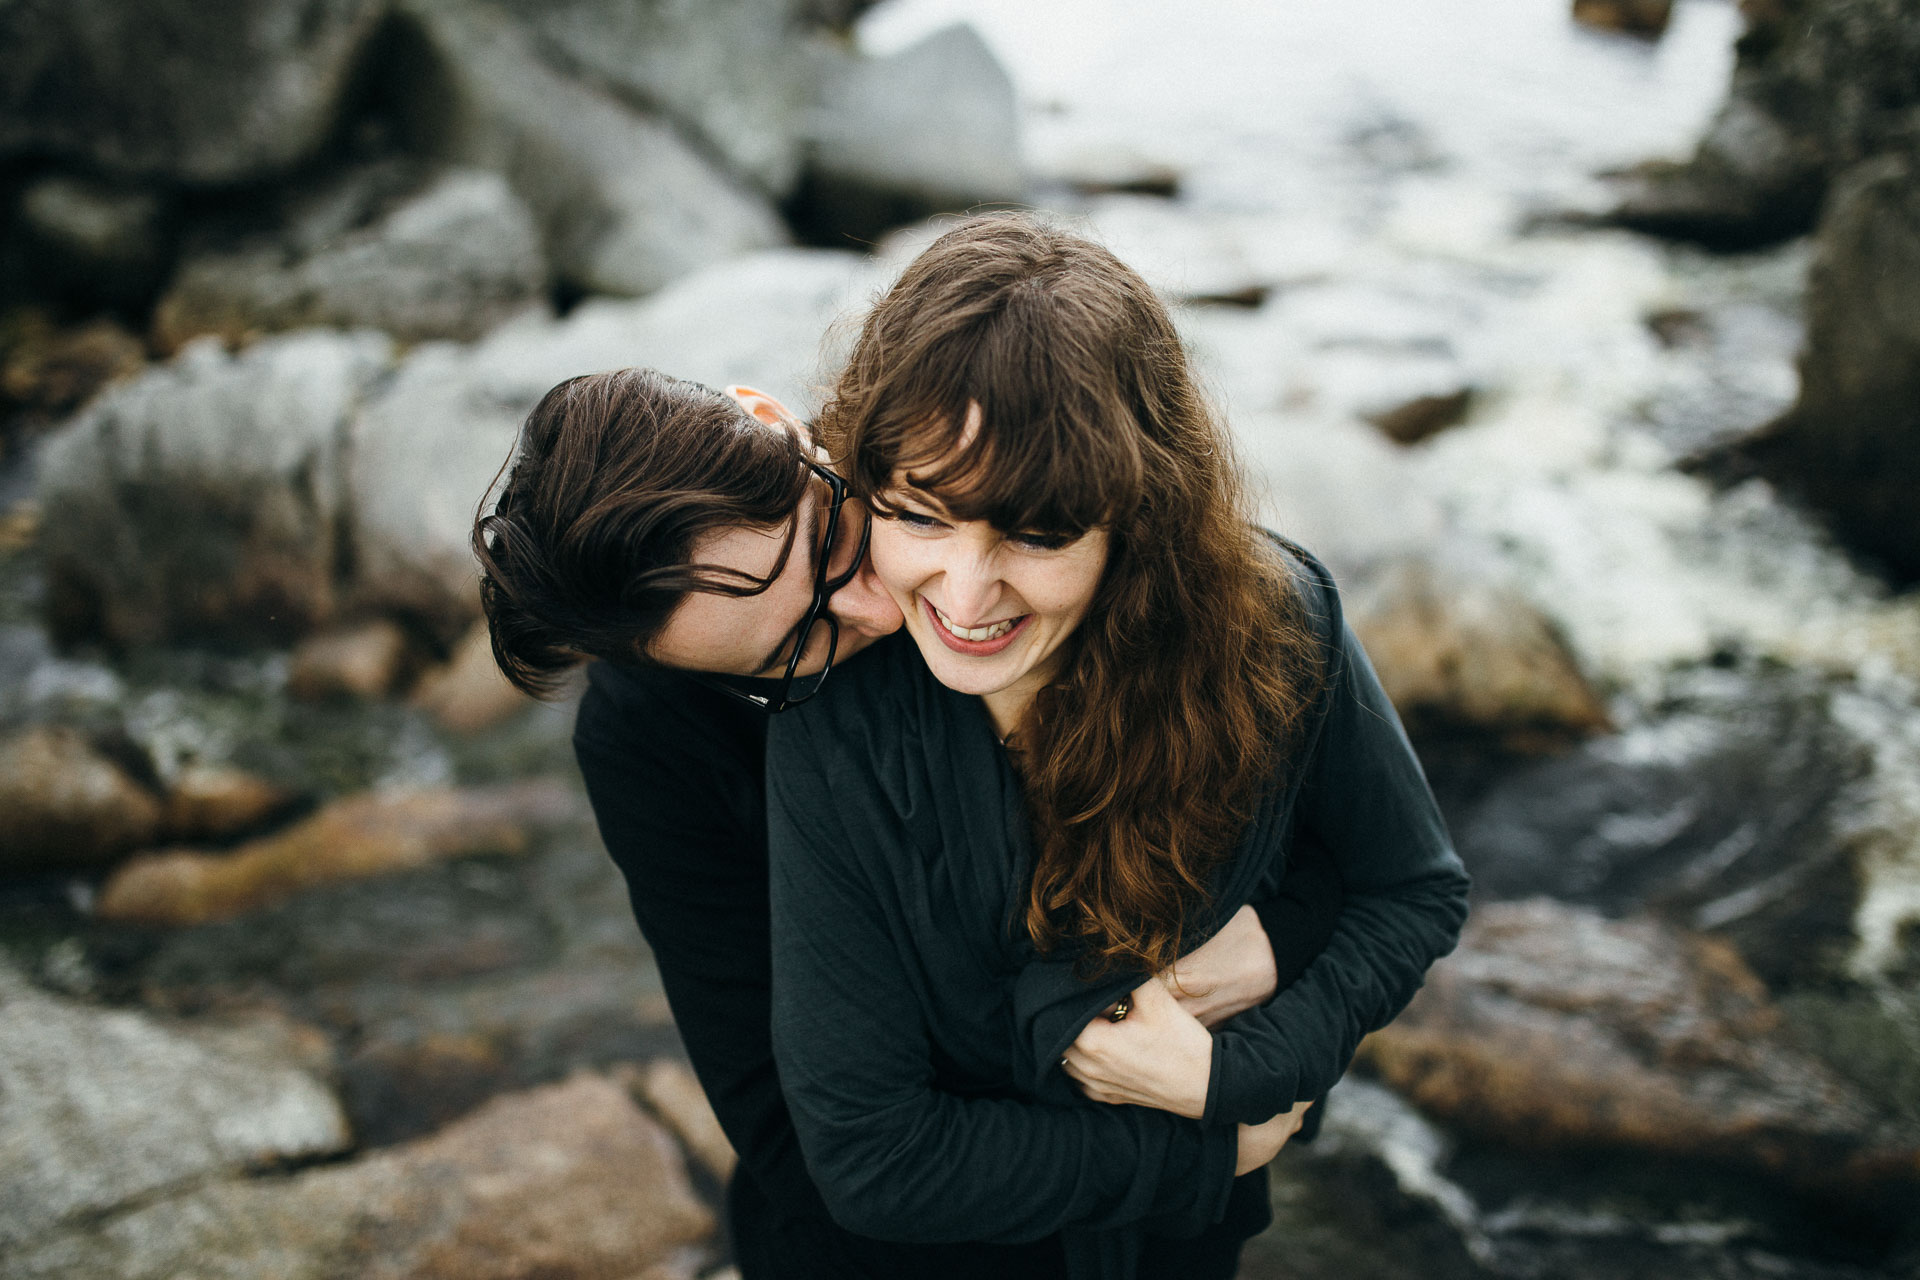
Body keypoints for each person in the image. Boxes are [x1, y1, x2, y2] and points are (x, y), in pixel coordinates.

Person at [473, 368, 1348, 1278]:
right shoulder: (652, 732)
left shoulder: (997, 512)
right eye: (788, 655)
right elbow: (791, 1125)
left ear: (779, 422)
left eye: (835, 546)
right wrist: (1189, 1158)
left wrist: (1278, 950)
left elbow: (1334, 849)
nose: (881, 609)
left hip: (1171, 1231)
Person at [764, 215, 1471, 1279]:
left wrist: (1245, 1070)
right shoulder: (833, 722)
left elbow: (1412, 889)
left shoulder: (1277, 621)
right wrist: (1213, 1139)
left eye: (1036, 535)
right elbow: (873, 1156)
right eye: (919, 516)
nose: (964, 593)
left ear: (1137, 518)